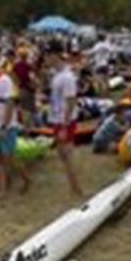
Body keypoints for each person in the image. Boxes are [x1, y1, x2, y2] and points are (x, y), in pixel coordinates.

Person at [0, 56, 29, 196]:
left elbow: (10, 103)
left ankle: (26, 180)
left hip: (5, 125)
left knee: (10, 158)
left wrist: (5, 126)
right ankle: (2, 190)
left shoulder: (4, 80)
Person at [48, 52, 84, 196]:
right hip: (57, 118)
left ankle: (76, 188)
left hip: (65, 119)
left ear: (55, 56)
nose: (46, 60)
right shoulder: (56, 75)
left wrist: (65, 125)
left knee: (67, 154)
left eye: (48, 56)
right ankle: (73, 185)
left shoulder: (67, 77)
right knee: (62, 154)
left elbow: (71, 101)